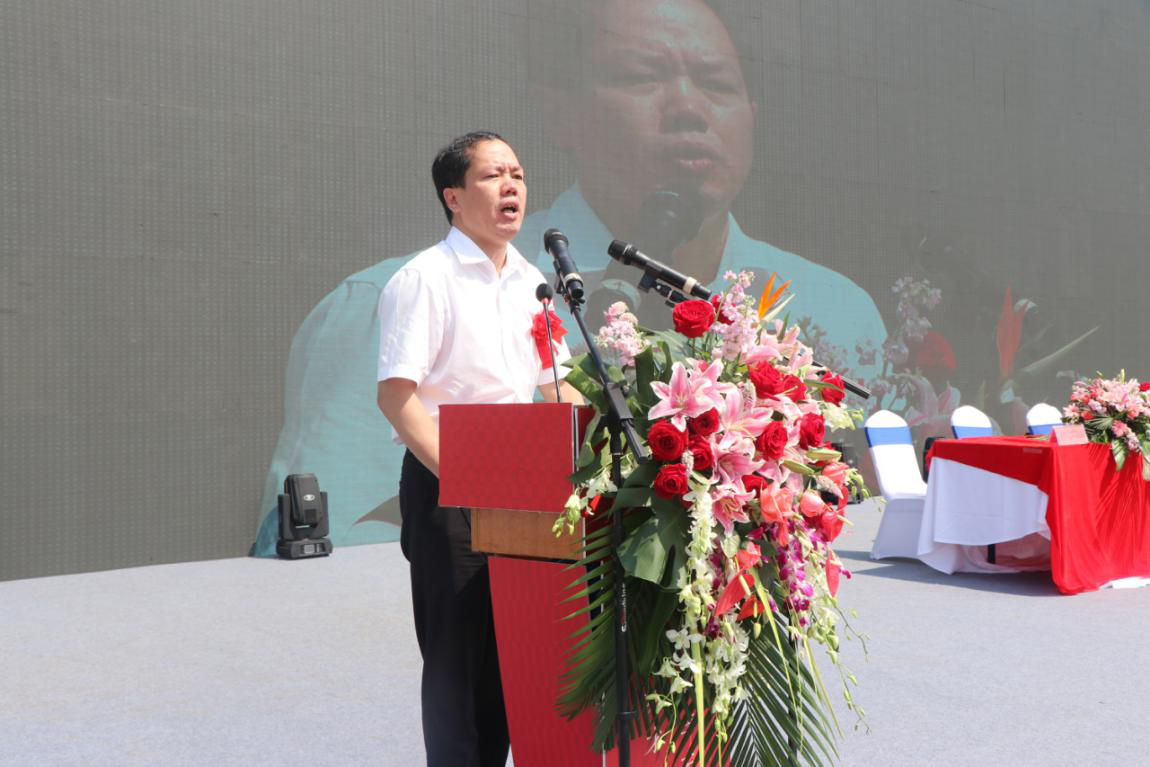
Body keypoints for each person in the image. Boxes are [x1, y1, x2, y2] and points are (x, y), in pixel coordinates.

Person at [518, 0, 887, 384]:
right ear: (560, 114)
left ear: (752, 116)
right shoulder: (504, 277)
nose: (689, 108)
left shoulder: (836, 308)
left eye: (717, 84)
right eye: (643, 77)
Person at [376, 131, 581, 765]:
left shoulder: (531, 281)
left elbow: (555, 384)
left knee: (510, 656)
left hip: (526, 492)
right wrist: (467, 478)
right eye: (493, 176)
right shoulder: (425, 278)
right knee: (457, 665)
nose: (511, 186)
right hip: (449, 490)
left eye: (517, 174)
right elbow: (397, 398)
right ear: (454, 197)